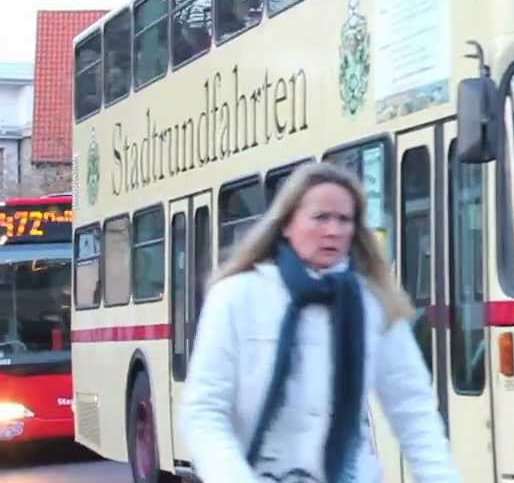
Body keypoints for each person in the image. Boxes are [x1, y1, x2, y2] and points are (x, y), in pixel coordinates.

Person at [179, 162, 460, 483]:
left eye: (344, 220)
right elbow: (203, 411)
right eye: (320, 218)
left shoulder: (373, 304)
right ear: (287, 223)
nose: (333, 231)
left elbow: (413, 410)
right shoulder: (236, 296)